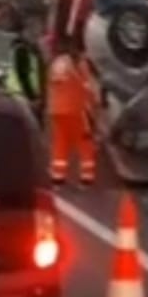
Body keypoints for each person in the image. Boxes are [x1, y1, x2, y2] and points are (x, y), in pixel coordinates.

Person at [46, 35, 99, 188]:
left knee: (61, 142)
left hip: (56, 109)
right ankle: (86, 178)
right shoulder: (79, 63)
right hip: (76, 108)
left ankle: (58, 177)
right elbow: (89, 87)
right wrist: (95, 106)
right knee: (85, 142)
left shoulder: (56, 63)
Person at [5, 15, 46, 121]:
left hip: (29, 98)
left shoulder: (34, 52)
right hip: (20, 96)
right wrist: (32, 98)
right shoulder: (21, 49)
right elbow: (23, 75)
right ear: (24, 31)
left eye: (38, 31)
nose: (36, 35)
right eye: (33, 31)